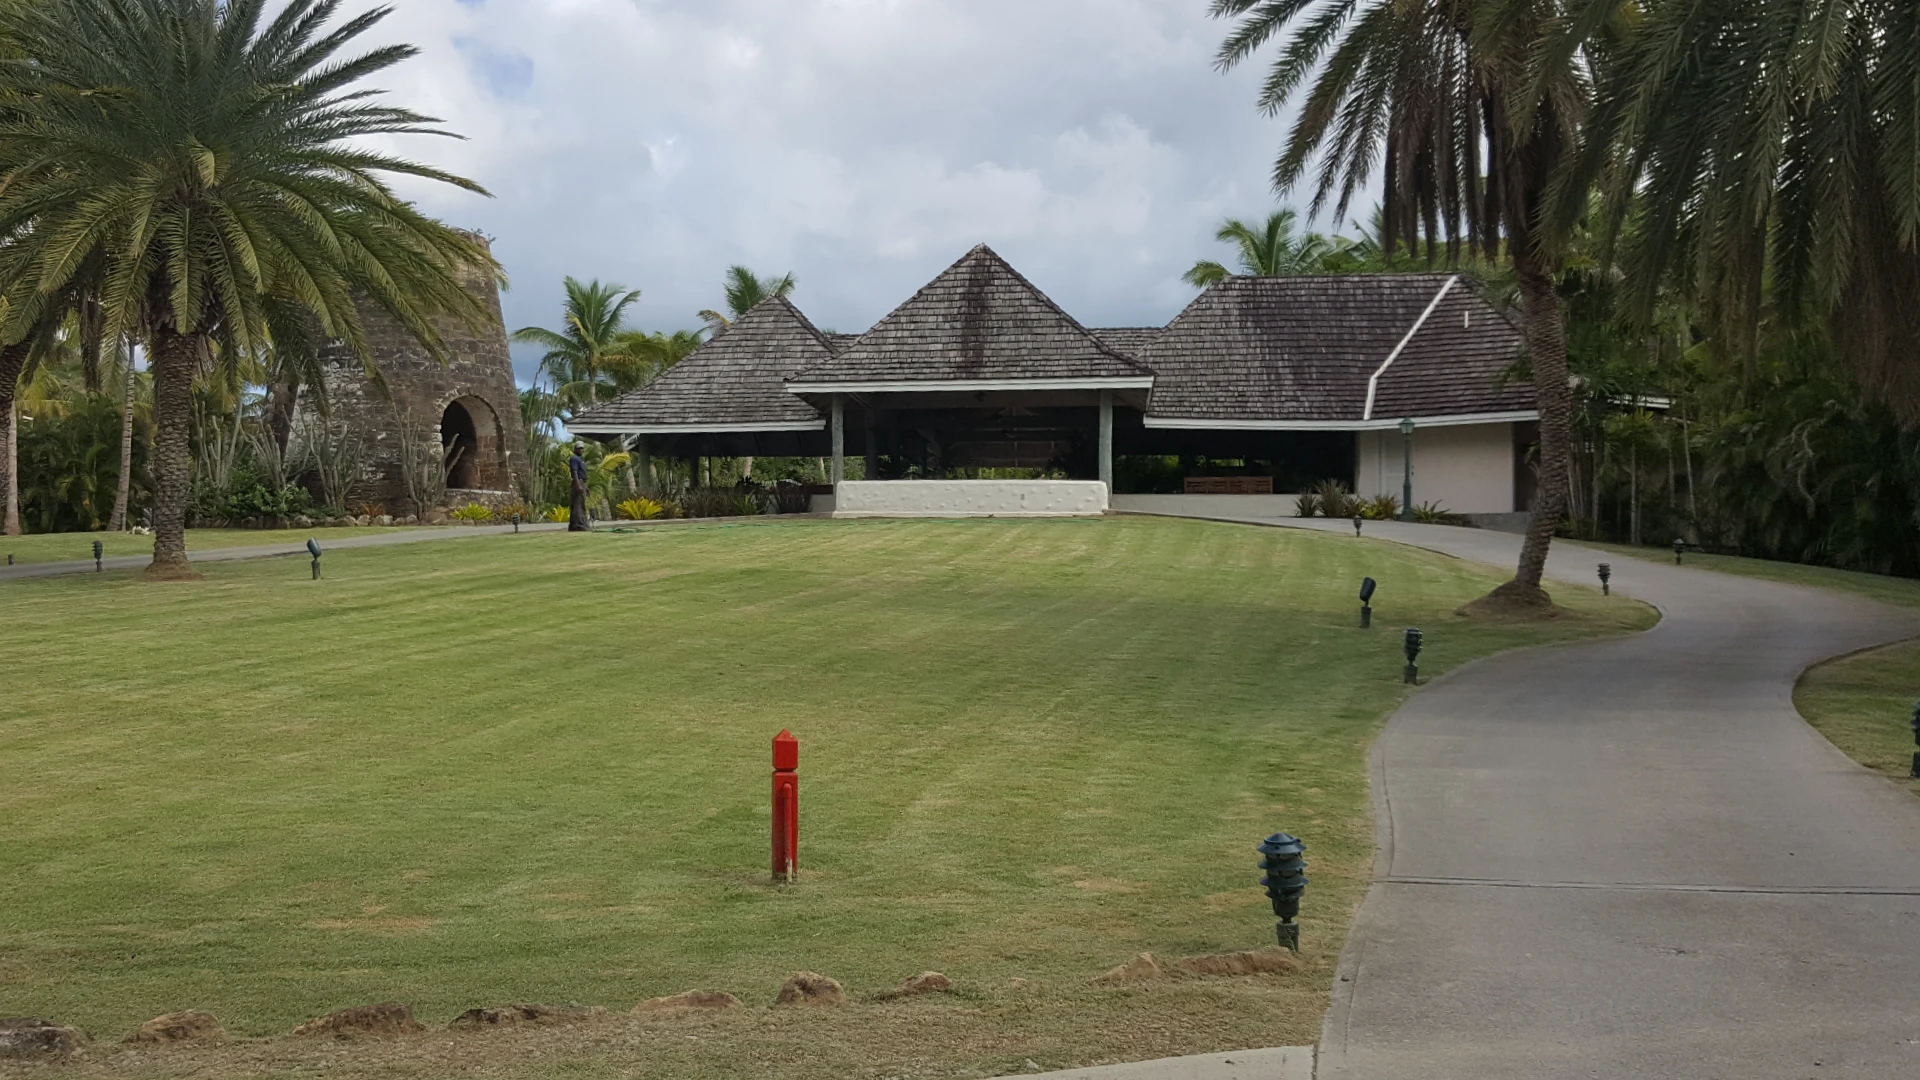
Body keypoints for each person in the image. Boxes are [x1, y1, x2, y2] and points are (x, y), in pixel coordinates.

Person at [568, 442, 591, 531]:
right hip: (578, 482)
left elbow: (583, 473)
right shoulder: (574, 458)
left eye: (582, 448)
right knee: (578, 505)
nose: (581, 449)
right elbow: (575, 472)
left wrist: (586, 487)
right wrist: (578, 485)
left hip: (582, 482)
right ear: (575, 449)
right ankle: (579, 525)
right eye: (579, 448)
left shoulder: (581, 459)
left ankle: (574, 525)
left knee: (581, 504)